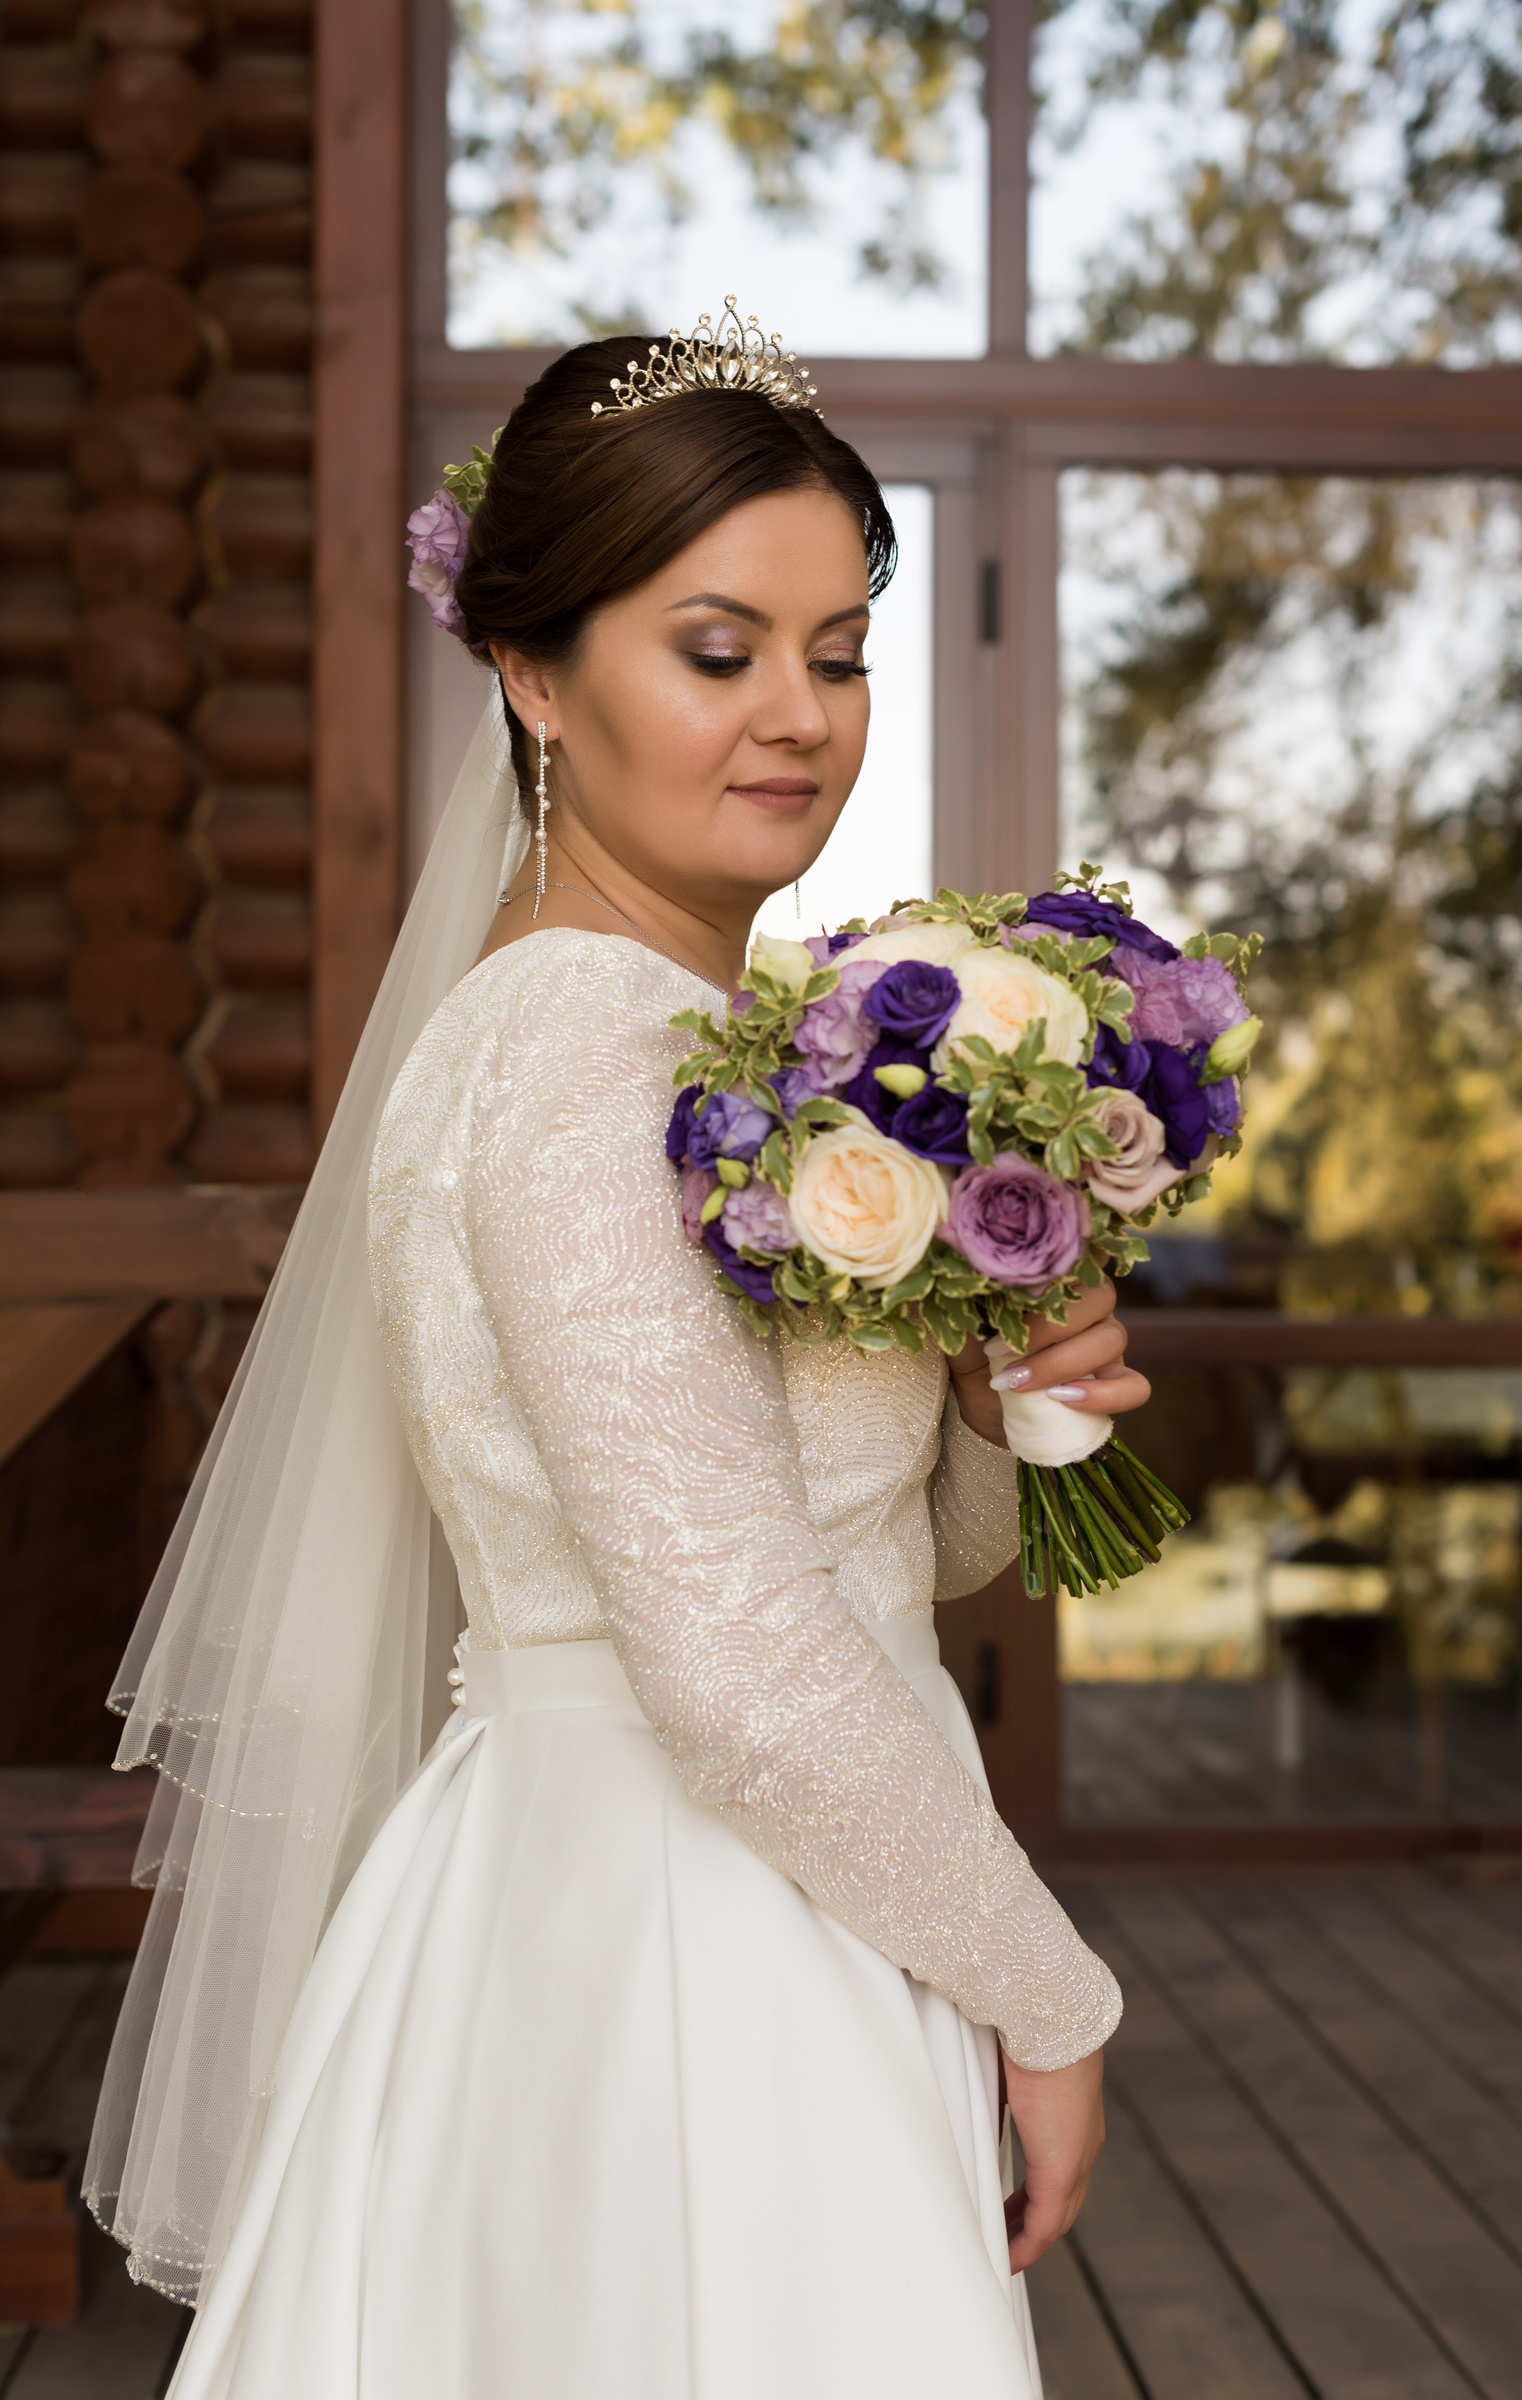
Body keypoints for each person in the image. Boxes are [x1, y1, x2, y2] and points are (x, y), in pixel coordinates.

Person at [87, 314, 1147, 2398]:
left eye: (839, 653)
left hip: (793, 1891)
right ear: (533, 673)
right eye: (719, 647)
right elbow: (738, 1666)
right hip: (679, 1942)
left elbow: (867, 1574)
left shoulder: (694, 1044)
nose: (802, 717)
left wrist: (981, 1401)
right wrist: (1060, 1998)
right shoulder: (583, 1050)